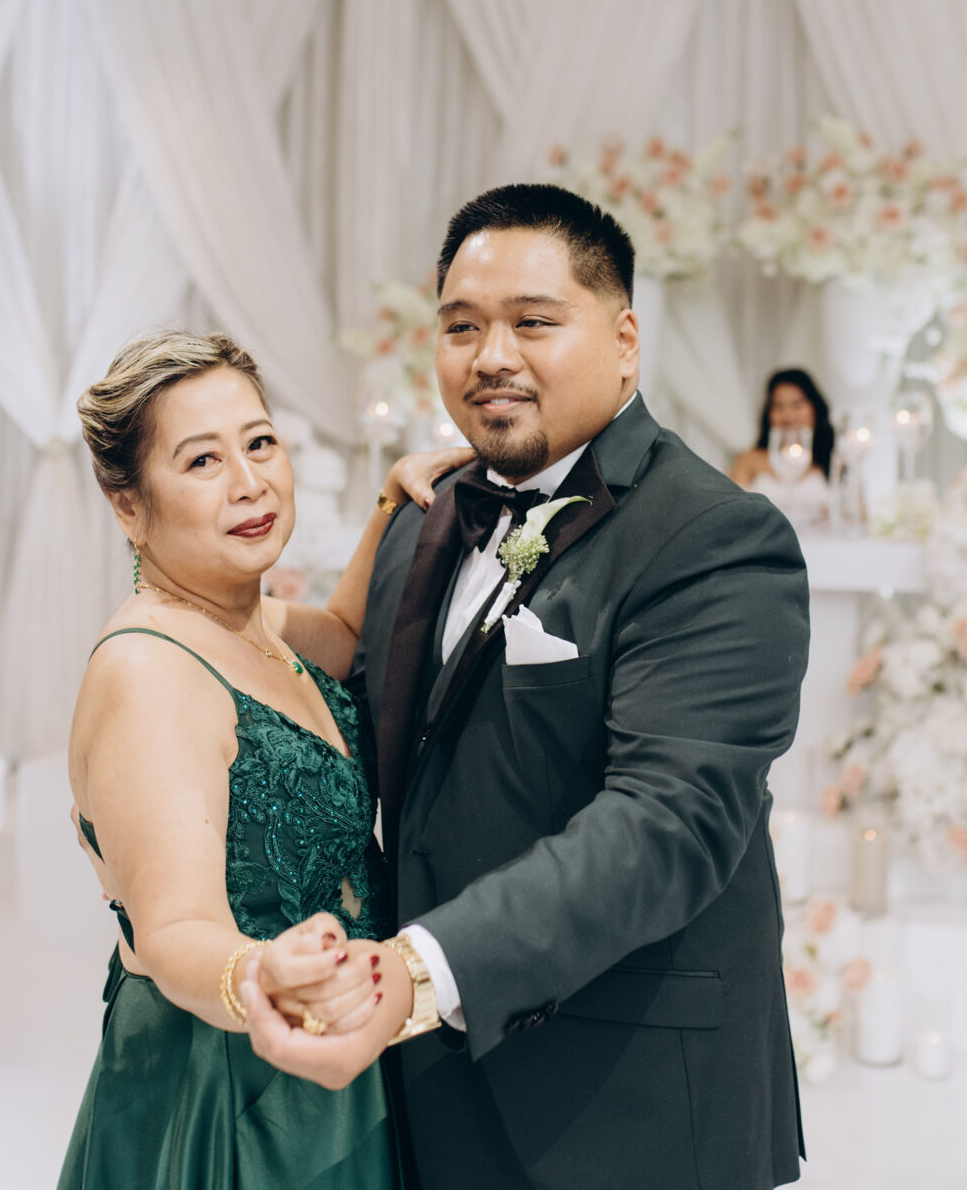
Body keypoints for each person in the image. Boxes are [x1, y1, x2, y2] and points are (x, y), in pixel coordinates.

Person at [245, 184, 810, 1189]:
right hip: (428, 1084)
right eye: (462, 326)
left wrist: (422, 969)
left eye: (533, 323)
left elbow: (669, 822)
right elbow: (367, 734)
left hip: (625, 1103)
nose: (490, 356)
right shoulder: (424, 516)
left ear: (625, 341)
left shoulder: (715, 537)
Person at [59, 330, 468, 1188]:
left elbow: (345, 636)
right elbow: (174, 931)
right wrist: (262, 975)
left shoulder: (247, 620)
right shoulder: (149, 673)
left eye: (260, 443)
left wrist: (390, 506)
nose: (250, 483)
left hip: (330, 1060)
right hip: (229, 1081)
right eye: (203, 461)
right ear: (129, 505)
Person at [730, 368, 834, 526]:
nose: (788, 415)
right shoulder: (748, 460)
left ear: (815, 408)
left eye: (797, 405)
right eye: (778, 406)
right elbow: (730, 512)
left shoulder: (833, 461)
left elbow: (858, 517)